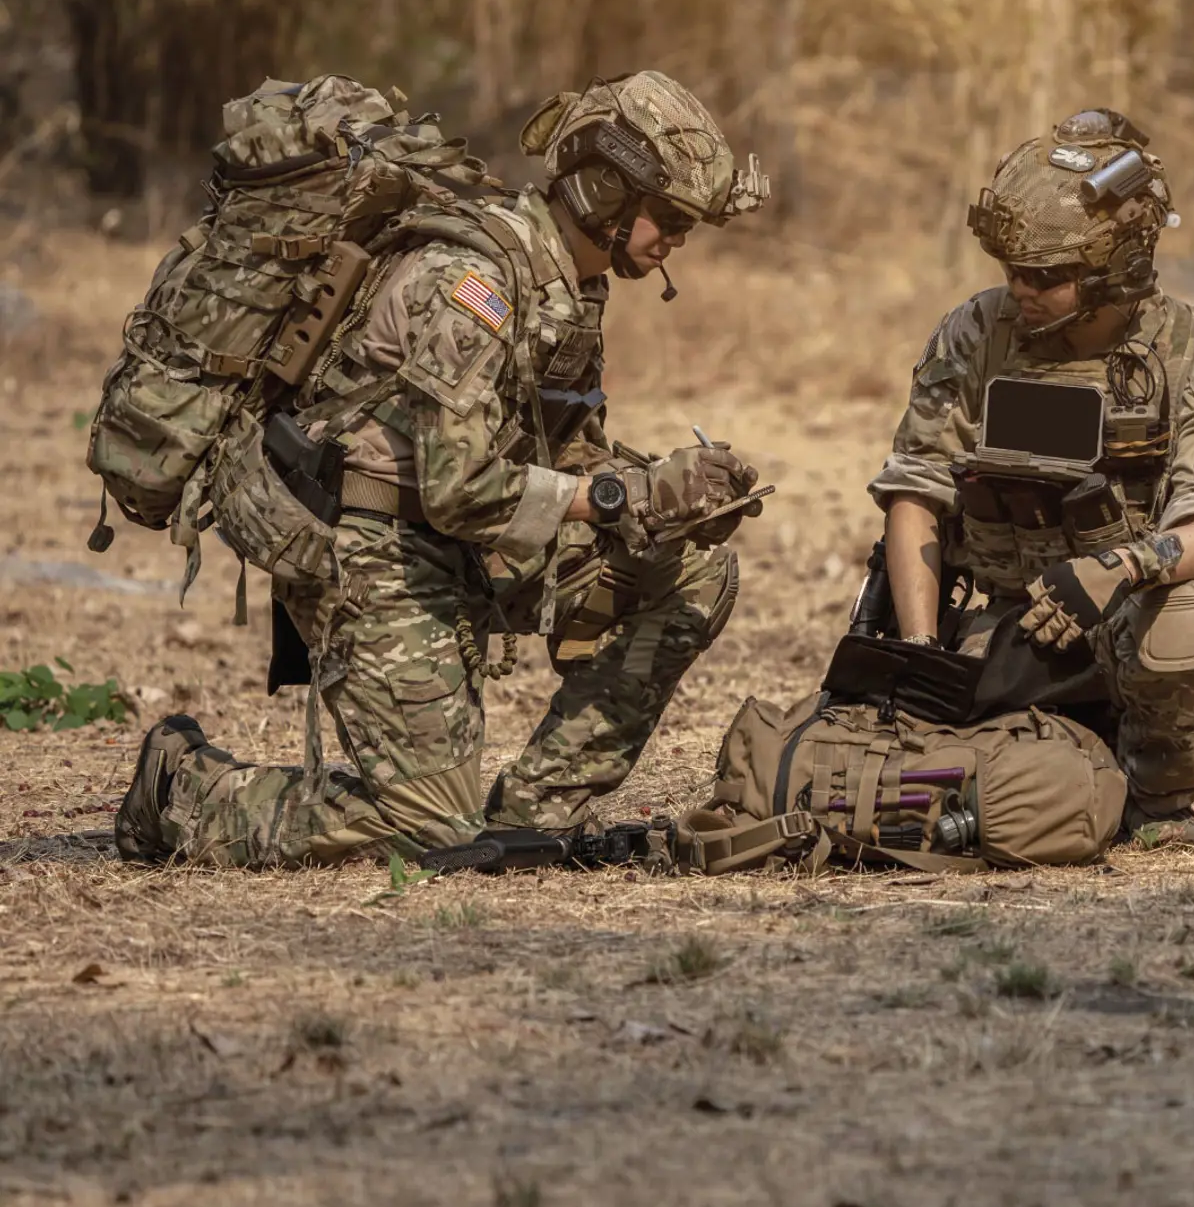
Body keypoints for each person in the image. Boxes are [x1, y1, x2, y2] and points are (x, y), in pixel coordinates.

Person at [115, 72, 769, 866]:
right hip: (367, 543)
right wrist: (619, 495)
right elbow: (460, 488)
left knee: (695, 570)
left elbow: (558, 454)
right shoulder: (475, 285)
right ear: (606, 189)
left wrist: (669, 497)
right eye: (668, 218)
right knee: (426, 831)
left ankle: (538, 812)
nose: (675, 242)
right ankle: (182, 791)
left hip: (450, 537)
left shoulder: (570, 285)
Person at [867, 108, 1194, 847]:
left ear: (1112, 270)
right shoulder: (977, 334)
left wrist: (1116, 569)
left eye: (1045, 277)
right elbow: (914, 490)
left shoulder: (1193, 360)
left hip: (1133, 626)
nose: (1020, 289)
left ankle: (1158, 803)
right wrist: (921, 656)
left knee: (1189, 620)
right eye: (1012, 272)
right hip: (1007, 623)